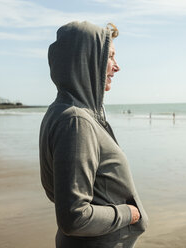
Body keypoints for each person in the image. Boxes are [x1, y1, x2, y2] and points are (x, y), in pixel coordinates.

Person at [39, 21, 148, 248]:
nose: (117, 67)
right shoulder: (76, 121)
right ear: (86, 59)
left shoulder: (65, 112)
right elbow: (75, 218)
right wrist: (129, 213)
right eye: (110, 57)